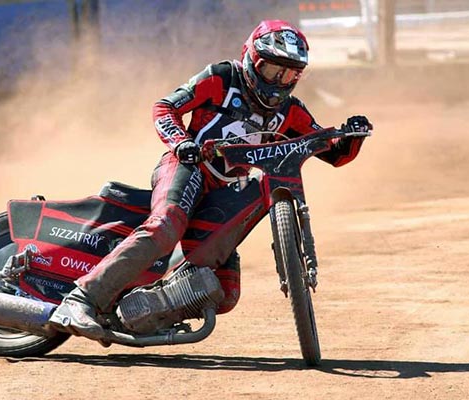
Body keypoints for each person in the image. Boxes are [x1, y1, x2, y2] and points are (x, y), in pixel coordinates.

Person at [49, 19, 373, 339]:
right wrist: (181, 142)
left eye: (289, 74)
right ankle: (80, 299)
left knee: (226, 292)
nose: (278, 80)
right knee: (166, 226)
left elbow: (332, 153)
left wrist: (352, 136)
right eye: (272, 69)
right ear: (251, 58)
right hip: (187, 167)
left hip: (225, 191)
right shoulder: (221, 77)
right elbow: (164, 107)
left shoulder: (290, 112)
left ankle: (139, 313)